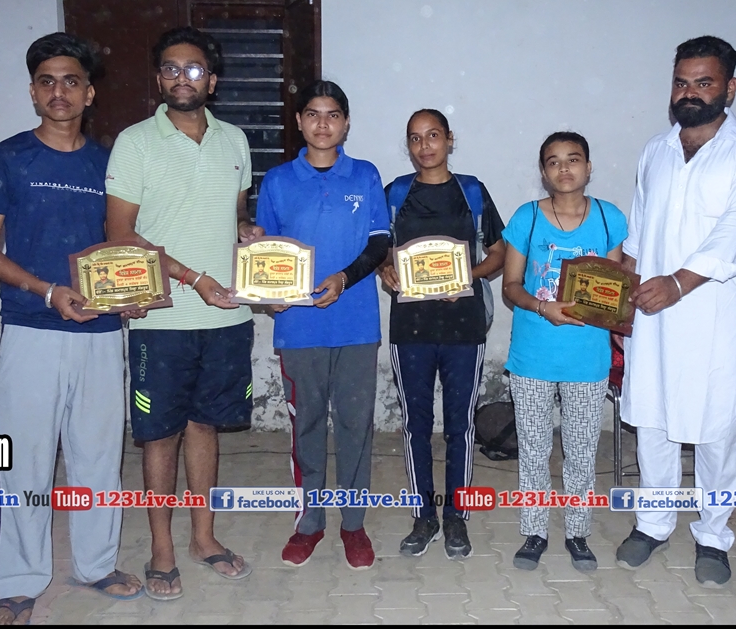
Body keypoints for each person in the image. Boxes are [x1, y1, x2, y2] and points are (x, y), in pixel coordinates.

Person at [0, 32, 142, 625]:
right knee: (24, 462)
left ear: (89, 92)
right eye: (47, 81)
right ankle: (20, 582)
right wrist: (46, 291)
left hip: (99, 335)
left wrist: (131, 295)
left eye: (71, 81)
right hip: (30, 331)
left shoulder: (109, 163)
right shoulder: (6, 158)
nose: (59, 92)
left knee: (98, 456)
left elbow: (122, 245)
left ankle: (96, 565)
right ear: (32, 91)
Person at [613, 36, 736, 588]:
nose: (689, 93)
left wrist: (678, 284)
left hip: (714, 316)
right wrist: (620, 301)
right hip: (653, 313)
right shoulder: (656, 151)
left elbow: (735, 233)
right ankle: (654, 523)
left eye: (704, 83)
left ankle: (712, 535)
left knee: (716, 431)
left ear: (729, 88)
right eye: (681, 82)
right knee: (654, 421)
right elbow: (639, 232)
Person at [105, 26, 261, 600]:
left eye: (193, 69)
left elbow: (234, 212)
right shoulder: (135, 143)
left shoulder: (235, 141)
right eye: (170, 68)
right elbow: (121, 233)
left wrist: (246, 232)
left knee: (205, 427)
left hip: (226, 317)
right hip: (162, 317)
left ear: (211, 81)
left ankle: (203, 538)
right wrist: (194, 278)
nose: (181, 78)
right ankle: (162, 549)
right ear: (158, 78)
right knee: (159, 435)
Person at [256, 80, 390, 570]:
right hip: (299, 328)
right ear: (299, 121)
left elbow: (380, 243)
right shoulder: (277, 181)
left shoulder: (365, 175)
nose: (322, 124)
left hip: (356, 325)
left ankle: (353, 524)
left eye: (333, 115)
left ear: (346, 123)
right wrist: (267, 296)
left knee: (356, 426)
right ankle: (309, 522)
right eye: (312, 114)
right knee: (307, 425)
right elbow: (266, 254)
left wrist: (344, 278)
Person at [377, 109, 506, 559]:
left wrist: (467, 276)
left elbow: (499, 253)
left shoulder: (471, 192)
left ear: (450, 139)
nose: (425, 146)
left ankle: (456, 516)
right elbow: (379, 250)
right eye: (415, 138)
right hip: (409, 328)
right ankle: (423, 516)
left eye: (433, 135)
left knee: (460, 426)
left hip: (462, 327)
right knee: (415, 424)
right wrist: (385, 269)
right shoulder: (395, 193)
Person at [500, 132, 628, 572]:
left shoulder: (609, 218)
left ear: (588, 167)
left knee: (581, 452)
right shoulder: (527, 218)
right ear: (543, 172)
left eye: (573, 159)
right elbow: (510, 286)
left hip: (587, 359)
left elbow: (613, 289)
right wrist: (543, 307)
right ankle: (534, 531)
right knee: (534, 451)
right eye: (553, 161)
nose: (564, 168)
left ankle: (578, 533)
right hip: (533, 356)